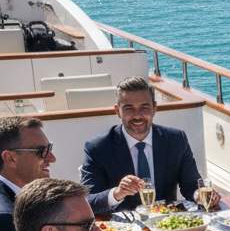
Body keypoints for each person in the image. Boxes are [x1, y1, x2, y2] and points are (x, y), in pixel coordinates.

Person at [81, 75, 216, 212]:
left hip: (167, 223)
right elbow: (87, 202)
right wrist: (117, 193)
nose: (138, 115)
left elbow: (191, 186)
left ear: (154, 108)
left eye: (144, 107)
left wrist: (200, 195)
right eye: (129, 109)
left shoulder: (176, 140)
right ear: (118, 111)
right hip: (124, 228)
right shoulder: (97, 148)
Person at [0, 115, 111, 231]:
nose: (52, 158)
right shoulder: (5, 218)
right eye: (41, 151)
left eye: (49, 149)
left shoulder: (22, 197)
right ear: (11, 158)